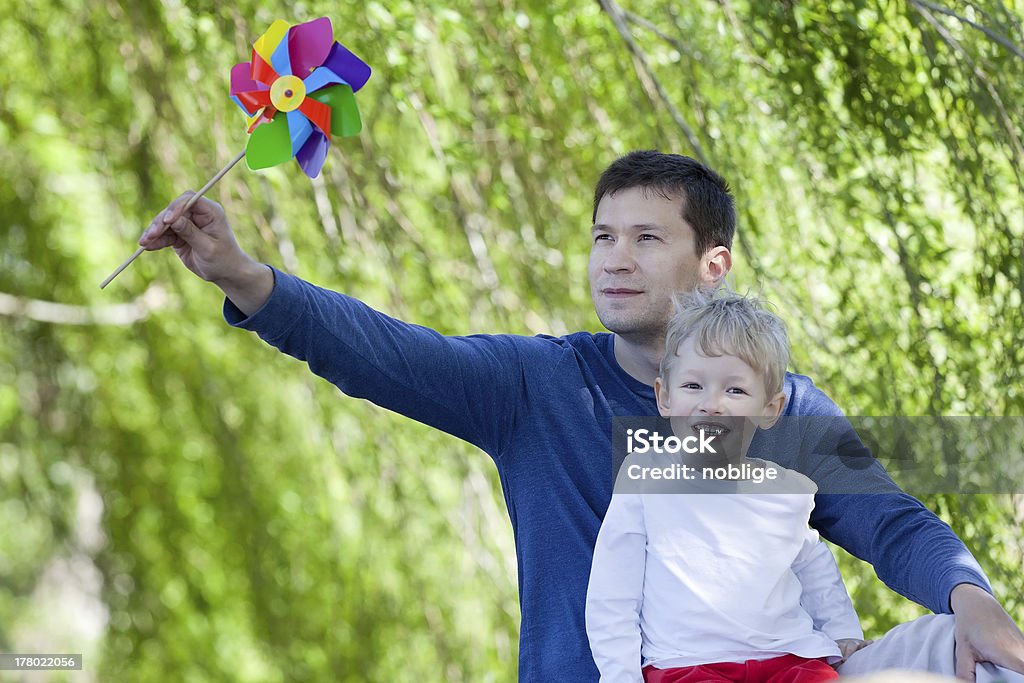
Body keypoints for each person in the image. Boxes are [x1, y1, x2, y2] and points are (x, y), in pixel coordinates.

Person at [137, 151, 1024, 682]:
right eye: (603, 236)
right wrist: (241, 274)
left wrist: (972, 595)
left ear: (712, 264)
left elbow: (890, 521)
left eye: (647, 238)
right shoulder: (537, 384)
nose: (615, 259)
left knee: (971, 652)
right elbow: (384, 350)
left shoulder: (781, 404)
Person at [586, 289, 867, 682]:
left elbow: (815, 568)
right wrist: (620, 676)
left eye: (735, 390)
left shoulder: (787, 488)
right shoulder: (645, 477)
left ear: (770, 409)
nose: (711, 404)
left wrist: (843, 635)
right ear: (664, 397)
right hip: (685, 664)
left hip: (788, 656)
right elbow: (614, 594)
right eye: (693, 387)